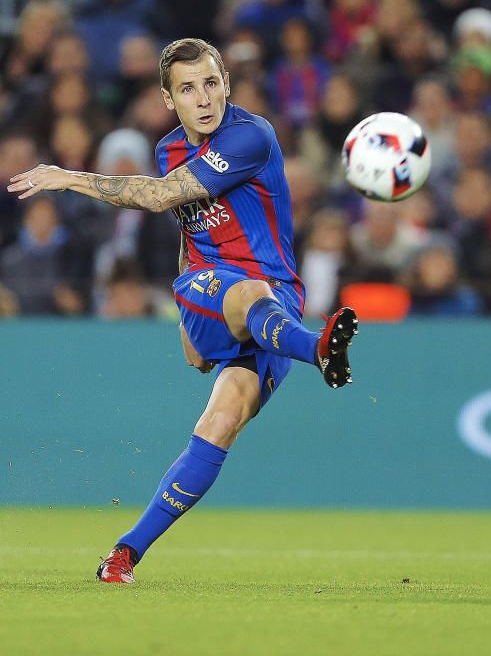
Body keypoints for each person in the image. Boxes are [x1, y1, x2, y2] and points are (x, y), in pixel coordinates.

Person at [6, 38, 359, 584]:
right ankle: (318, 350)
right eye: (188, 88)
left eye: (211, 83)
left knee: (220, 422)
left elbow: (162, 197)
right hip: (212, 289)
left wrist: (69, 177)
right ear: (168, 99)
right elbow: (184, 216)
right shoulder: (169, 149)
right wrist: (187, 301)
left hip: (277, 303)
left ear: (226, 84)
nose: (203, 98)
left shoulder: (251, 135)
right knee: (243, 293)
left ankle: (123, 555)